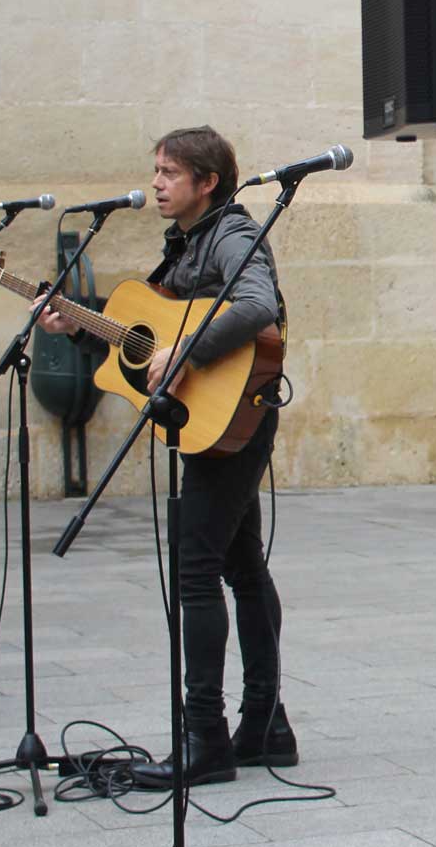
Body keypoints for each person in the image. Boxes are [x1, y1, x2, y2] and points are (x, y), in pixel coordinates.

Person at [35, 125, 297, 788]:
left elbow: (259, 305)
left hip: (231, 414)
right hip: (213, 418)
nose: (156, 183)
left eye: (169, 173)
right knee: (239, 564)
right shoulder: (186, 244)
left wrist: (191, 352)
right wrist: (80, 324)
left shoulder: (232, 231)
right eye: (155, 170)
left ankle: (205, 737)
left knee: (195, 570)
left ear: (206, 182)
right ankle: (267, 725)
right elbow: (147, 352)